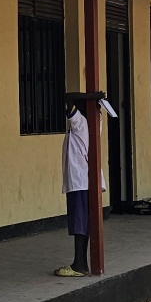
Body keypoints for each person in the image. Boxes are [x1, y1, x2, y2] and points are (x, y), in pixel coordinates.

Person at [55, 91, 107, 277]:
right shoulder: (96, 121)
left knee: (79, 223)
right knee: (85, 224)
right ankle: (81, 263)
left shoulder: (80, 123)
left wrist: (90, 96)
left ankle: (78, 264)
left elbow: (67, 96)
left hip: (79, 180)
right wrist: (94, 100)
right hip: (88, 179)